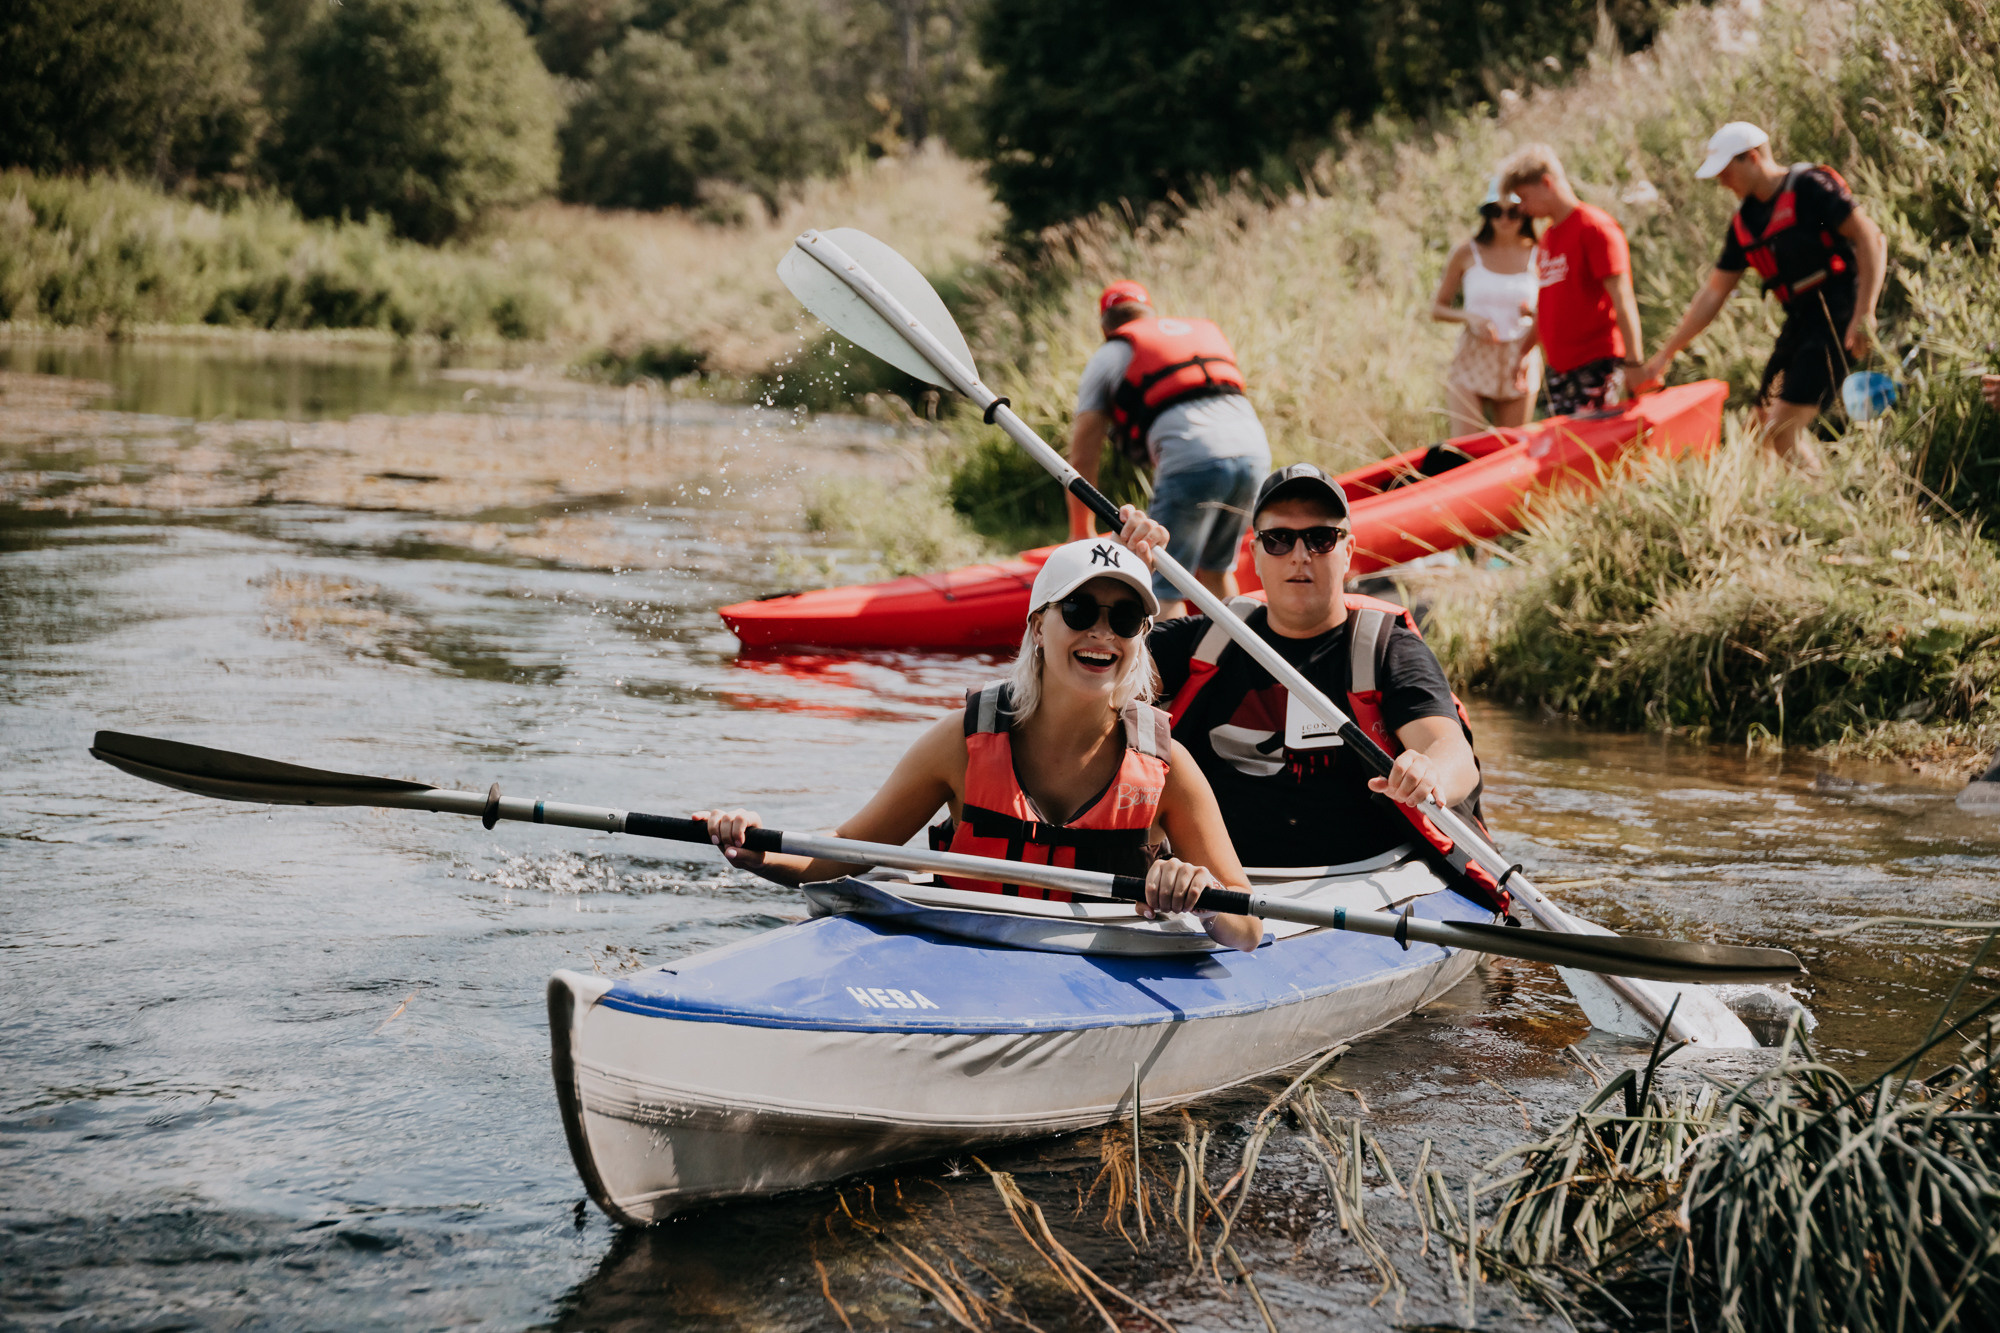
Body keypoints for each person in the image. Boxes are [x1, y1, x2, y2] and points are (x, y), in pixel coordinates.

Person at [697, 532, 1264, 953]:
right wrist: (760, 849)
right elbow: (845, 849)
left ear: (1141, 636)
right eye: (1080, 610)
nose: (1101, 632)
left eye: (1124, 619)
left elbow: (1246, 928)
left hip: (1097, 973)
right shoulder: (961, 743)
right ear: (1039, 627)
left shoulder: (1168, 767)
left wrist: (1200, 890)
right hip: (964, 952)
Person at [1118, 466, 1490, 876]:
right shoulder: (1207, 638)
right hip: (1217, 879)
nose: (1300, 555)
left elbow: (1453, 754)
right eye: (1278, 539)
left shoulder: (1389, 649)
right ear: (1256, 555)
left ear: (1347, 552)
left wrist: (1428, 772)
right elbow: (1096, 676)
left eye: (1320, 538)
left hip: (1362, 877)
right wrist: (1128, 577)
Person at [1637, 123, 1888, 473]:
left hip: (1837, 314)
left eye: (1726, 173)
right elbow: (1713, 294)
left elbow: (1870, 239)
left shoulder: (1810, 188)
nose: (1722, 183)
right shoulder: (1745, 222)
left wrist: (1865, 313)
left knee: (1782, 431)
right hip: (1799, 322)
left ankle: (1818, 506)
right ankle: (1775, 506)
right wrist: (1665, 354)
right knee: (1757, 428)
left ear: (1752, 158)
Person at [1067, 281, 1272, 619]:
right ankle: (1240, 663)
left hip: (1193, 459)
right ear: (1149, 313)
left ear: (1105, 325)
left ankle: (1169, 672)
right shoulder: (1195, 334)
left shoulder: (1109, 355)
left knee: (1163, 582)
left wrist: (1079, 532)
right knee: (1218, 570)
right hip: (1254, 454)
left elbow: (1082, 456)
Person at [1499, 144, 1646, 417]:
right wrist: (1522, 352)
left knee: (1596, 447)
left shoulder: (1595, 228)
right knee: (1567, 450)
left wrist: (1635, 363)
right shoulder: (1549, 238)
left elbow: (1622, 299)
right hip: (1560, 369)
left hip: (1595, 364)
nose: (1524, 209)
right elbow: (1547, 304)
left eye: (1525, 198)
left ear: (1546, 183)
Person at [1429, 178, 1542, 434]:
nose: (1504, 219)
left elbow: (1552, 310)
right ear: (1486, 214)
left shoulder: (1539, 252)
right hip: (1473, 355)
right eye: (1495, 211)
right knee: (1464, 451)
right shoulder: (1466, 253)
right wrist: (1469, 317)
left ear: (1524, 213)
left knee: (1509, 453)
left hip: (1520, 356)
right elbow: (1437, 308)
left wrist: (1534, 314)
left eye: (1512, 212)